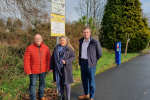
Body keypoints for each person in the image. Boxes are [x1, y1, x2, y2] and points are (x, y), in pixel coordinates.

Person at [24, 34, 51, 100]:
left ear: (41, 39)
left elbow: (48, 58)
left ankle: (41, 96)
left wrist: (48, 67)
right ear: (34, 39)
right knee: (33, 85)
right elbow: (26, 60)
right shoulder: (29, 48)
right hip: (33, 70)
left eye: (39, 38)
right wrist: (28, 70)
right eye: (36, 38)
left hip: (43, 70)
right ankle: (33, 98)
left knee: (42, 84)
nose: (37, 40)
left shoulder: (46, 47)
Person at [78, 27, 102, 100]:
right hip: (82, 62)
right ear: (83, 33)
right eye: (84, 32)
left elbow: (100, 53)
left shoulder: (95, 42)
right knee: (84, 80)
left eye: (87, 32)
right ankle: (86, 94)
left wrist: (93, 60)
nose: (85, 34)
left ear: (90, 33)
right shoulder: (81, 41)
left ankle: (91, 97)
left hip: (91, 64)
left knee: (91, 81)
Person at [50, 36, 75, 100]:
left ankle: (68, 97)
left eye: (63, 40)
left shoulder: (69, 49)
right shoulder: (56, 48)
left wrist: (66, 61)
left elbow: (73, 57)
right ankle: (62, 96)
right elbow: (52, 58)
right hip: (58, 68)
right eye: (61, 40)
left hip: (66, 68)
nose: (62, 41)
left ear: (66, 41)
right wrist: (51, 67)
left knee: (67, 83)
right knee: (60, 83)